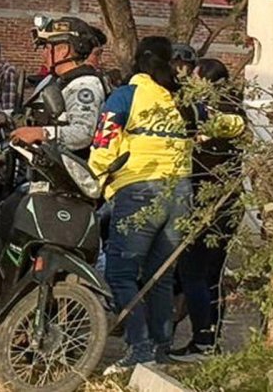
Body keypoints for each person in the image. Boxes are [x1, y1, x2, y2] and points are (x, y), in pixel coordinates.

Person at [90, 37, 241, 374]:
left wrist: (96, 183)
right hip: (180, 195)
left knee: (121, 274)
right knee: (160, 276)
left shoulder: (125, 96)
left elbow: (103, 144)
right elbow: (231, 125)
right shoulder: (183, 101)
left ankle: (138, 348)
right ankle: (159, 349)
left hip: (137, 192)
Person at [171, 58, 242, 362]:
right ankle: (206, 341)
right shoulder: (230, 110)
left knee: (195, 273)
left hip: (211, 205)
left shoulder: (222, 115)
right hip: (224, 203)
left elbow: (211, 136)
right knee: (209, 274)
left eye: (196, 79)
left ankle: (203, 342)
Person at [10, 17, 107, 158]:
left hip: (73, 177)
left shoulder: (83, 85)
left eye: (48, 48)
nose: (44, 54)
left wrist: (41, 133)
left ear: (63, 50)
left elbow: (83, 133)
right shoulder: (64, 82)